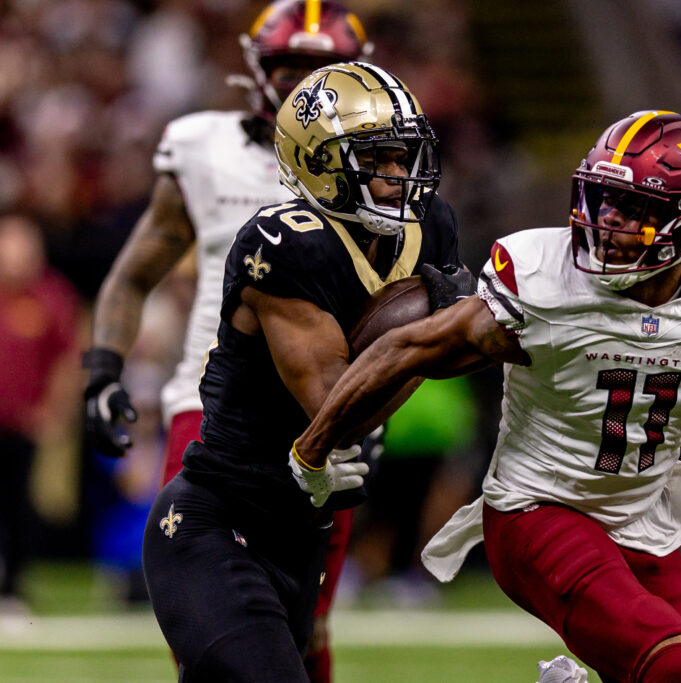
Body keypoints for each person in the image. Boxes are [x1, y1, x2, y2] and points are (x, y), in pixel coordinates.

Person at [292, 111, 681, 682]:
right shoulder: (547, 285)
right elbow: (409, 346)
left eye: (633, 210)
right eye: (602, 199)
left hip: (641, 521)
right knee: (669, 666)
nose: (606, 223)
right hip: (537, 509)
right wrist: (312, 448)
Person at [140, 61, 467, 681]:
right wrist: (438, 335)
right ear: (318, 160)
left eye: (405, 158)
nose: (400, 177)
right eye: (380, 159)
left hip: (302, 529)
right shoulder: (285, 239)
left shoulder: (432, 227)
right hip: (218, 521)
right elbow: (334, 405)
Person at [80, 1, 370, 678]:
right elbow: (135, 271)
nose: (304, 85)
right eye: (291, 66)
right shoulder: (203, 147)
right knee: (203, 616)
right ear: (257, 70)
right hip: (209, 408)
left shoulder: (380, 166)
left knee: (305, 619)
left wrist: (369, 397)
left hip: (322, 410)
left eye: (321, 70)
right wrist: (102, 368)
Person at [0, 212, 81, 612]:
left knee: (19, 509)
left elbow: (69, 361)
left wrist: (53, 413)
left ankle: (12, 589)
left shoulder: (52, 296)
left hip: (22, 427)